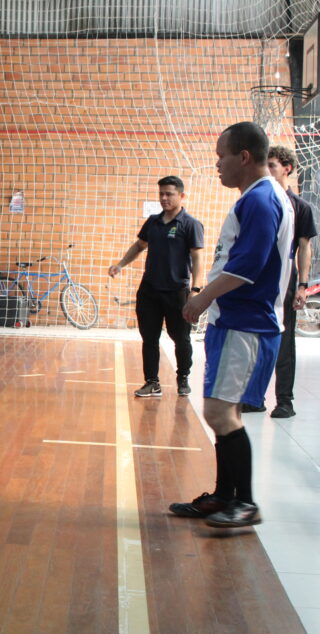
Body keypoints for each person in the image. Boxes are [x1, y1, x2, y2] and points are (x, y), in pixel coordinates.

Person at [173, 122, 293, 528]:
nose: (217, 165)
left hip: (248, 324)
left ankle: (245, 502)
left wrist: (202, 297)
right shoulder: (255, 198)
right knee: (219, 412)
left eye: (222, 156)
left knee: (223, 413)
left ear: (244, 157)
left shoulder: (262, 200)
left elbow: (248, 267)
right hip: (235, 322)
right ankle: (225, 496)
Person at [108, 176, 205, 398]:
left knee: (180, 337)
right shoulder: (152, 222)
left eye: (169, 194)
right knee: (149, 338)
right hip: (149, 290)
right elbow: (140, 245)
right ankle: (152, 382)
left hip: (177, 291)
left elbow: (198, 259)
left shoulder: (190, 225)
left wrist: (196, 290)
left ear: (181, 196)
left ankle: (183, 378)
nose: (164, 198)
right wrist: (121, 264)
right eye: (161, 193)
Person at [240, 145, 315, 417]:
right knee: (254, 340)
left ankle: (285, 400)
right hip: (256, 281)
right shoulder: (257, 201)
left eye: (273, 165)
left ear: (287, 168)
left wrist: (303, 285)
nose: (268, 170)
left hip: (284, 283)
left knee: (283, 342)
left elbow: (305, 247)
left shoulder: (300, 207)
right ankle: (254, 397)